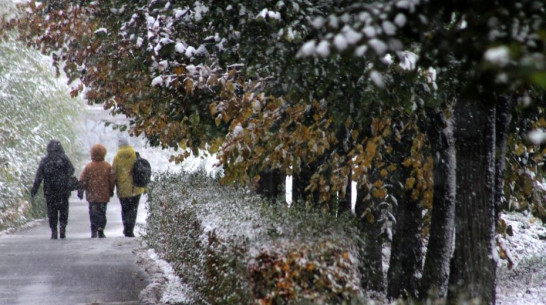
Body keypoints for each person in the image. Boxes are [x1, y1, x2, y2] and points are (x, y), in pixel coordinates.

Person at [31, 140, 75, 239]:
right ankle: (62, 228)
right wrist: (64, 176)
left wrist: (34, 189)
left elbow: (39, 176)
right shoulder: (64, 159)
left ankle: (54, 230)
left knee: (52, 211)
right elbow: (71, 169)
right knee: (63, 210)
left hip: (50, 191)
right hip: (63, 190)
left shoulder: (45, 160)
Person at [78, 144, 115, 238]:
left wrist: (81, 190)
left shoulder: (88, 167)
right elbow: (112, 179)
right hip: (103, 194)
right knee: (102, 212)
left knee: (93, 212)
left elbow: (82, 179)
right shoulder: (107, 166)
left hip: (92, 194)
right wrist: (111, 190)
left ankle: (93, 229)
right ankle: (101, 228)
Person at [111, 137, 146, 237]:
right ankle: (130, 229)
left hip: (123, 189)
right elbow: (142, 171)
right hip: (136, 188)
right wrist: (145, 186)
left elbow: (113, 174)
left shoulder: (117, 157)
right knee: (133, 209)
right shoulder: (135, 154)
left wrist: (111, 188)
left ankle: (126, 228)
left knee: (125, 209)